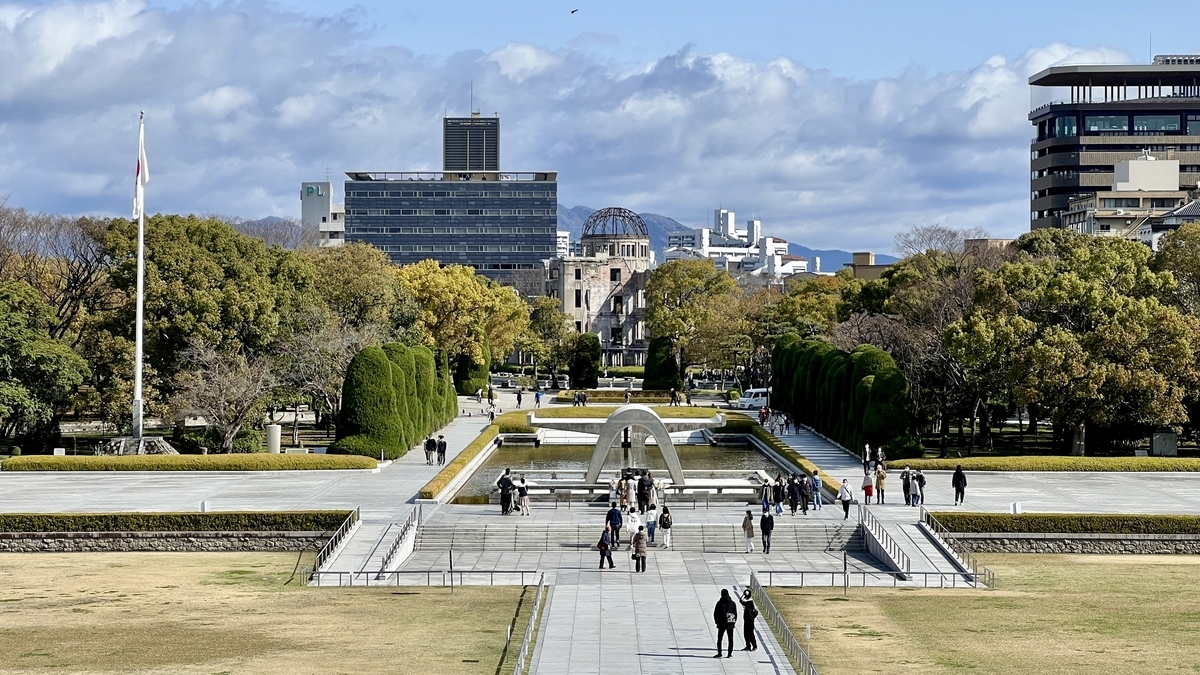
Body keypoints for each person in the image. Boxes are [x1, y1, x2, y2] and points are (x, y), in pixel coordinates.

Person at [713, 589, 738, 658]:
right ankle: (729, 653)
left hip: (721, 623)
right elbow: (735, 613)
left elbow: (715, 613)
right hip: (730, 623)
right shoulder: (732, 603)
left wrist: (716, 621)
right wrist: (734, 621)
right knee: (730, 638)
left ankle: (719, 653)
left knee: (720, 638)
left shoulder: (719, 603)